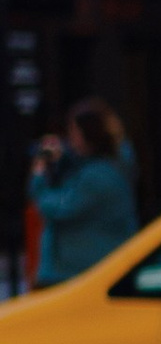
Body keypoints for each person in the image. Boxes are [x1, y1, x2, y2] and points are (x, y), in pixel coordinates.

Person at [28, 100, 138, 288]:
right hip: (89, 269)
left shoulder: (98, 177)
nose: (71, 140)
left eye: (74, 132)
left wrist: (39, 176)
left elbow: (57, 208)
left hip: (78, 273)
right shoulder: (112, 167)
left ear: (88, 134)